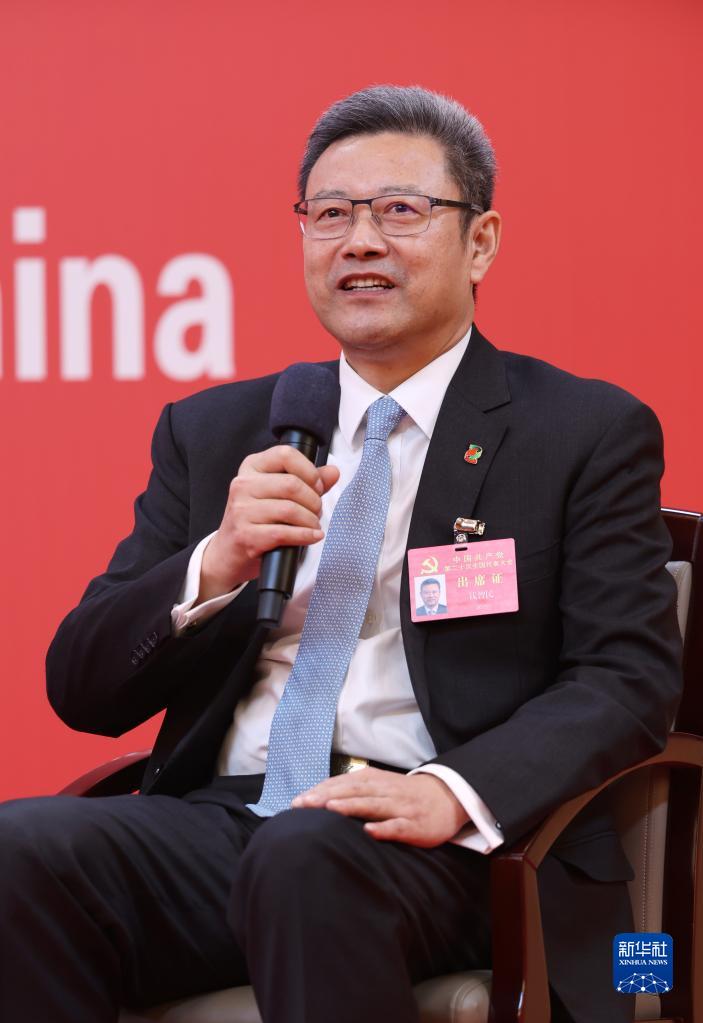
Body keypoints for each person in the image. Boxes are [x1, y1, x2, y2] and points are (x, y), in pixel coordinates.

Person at [0, 85, 682, 1023]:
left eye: (399, 210)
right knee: (21, 850)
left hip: (459, 845)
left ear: (479, 242)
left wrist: (454, 791)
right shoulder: (219, 430)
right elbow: (81, 689)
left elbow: (626, 676)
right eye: (329, 215)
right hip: (230, 822)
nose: (358, 241)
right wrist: (215, 562)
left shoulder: (580, 431)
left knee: (305, 857)